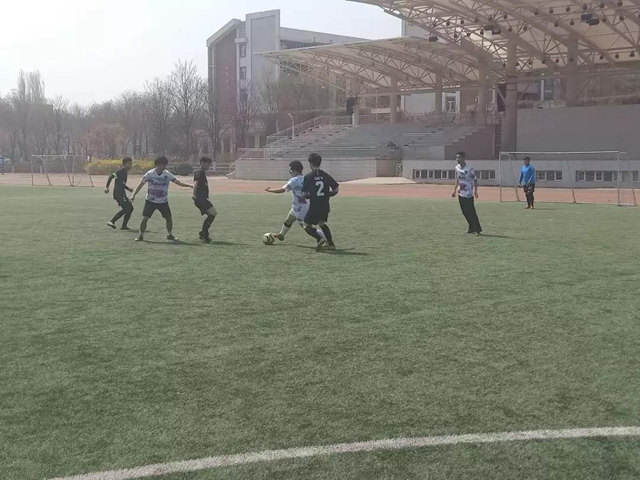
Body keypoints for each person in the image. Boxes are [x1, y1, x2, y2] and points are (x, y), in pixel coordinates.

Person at [131, 156, 192, 242]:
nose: (164, 166)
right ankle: (140, 236)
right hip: (150, 201)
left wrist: (188, 185)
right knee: (145, 218)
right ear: (158, 164)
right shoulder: (150, 174)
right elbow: (140, 185)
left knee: (168, 218)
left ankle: (170, 235)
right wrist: (133, 195)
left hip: (163, 201)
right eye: (163, 164)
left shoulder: (167, 174)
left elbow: (178, 182)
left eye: (165, 164)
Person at [265, 160, 325, 243]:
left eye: (290, 170)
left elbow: (282, 190)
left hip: (301, 209)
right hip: (299, 206)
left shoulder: (294, 180)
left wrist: (270, 190)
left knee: (306, 227)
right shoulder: (306, 178)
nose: (290, 172)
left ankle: (324, 238)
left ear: (294, 170)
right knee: (289, 220)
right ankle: (281, 234)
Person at [302, 153, 339, 251]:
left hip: (314, 205)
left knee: (306, 225)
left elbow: (304, 194)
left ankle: (320, 238)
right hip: (325, 205)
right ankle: (331, 244)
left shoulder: (308, 176)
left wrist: (312, 196)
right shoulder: (326, 175)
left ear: (310, 163)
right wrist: (326, 195)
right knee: (322, 223)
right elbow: (336, 190)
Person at [452, 151, 482, 235]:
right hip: (460, 192)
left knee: (471, 211)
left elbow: (475, 180)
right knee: (465, 212)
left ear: (463, 158)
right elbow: (457, 179)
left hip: (468, 193)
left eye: (459, 157)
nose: (457, 159)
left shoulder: (469, 168)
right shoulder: (457, 168)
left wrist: (475, 191)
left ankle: (477, 229)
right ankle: (471, 227)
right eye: (456, 157)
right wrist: (454, 191)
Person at [105, 157, 134, 230]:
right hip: (118, 193)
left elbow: (122, 183)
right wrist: (107, 187)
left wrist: (128, 189)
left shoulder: (125, 173)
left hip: (122, 193)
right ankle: (112, 221)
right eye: (129, 164)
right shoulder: (120, 172)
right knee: (127, 208)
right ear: (124, 164)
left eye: (131, 164)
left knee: (130, 208)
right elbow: (111, 177)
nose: (130, 165)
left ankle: (124, 226)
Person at [193, 157, 217, 243]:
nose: (209, 166)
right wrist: (194, 194)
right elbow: (196, 183)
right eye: (208, 164)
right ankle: (204, 233)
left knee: (212, 214)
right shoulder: (200, 172)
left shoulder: (201, 172)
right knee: (213, 213)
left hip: (201, 198)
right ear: (202, 163)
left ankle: (203, 232)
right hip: (200, 198)